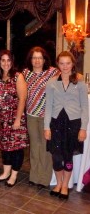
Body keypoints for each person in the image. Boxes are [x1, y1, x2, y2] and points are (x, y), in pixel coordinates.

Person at [44, 51, 89, 200]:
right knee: (56, 157)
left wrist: (83, 128)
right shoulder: (51, 82)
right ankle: (58, 182)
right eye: (62, 63)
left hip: (73, 124)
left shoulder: (79, 82)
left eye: (68, 63)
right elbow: (48, 106)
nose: (65, 66)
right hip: (56, 123)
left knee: (68, 156)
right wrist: (46, 127)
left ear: (73, 64)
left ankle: (65, 185)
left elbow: (84, 107)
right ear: (58, 64)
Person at [22, 46, 59, 189]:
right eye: (34, 57)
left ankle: (44, 178)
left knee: (45, 147)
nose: (37, 60)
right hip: (31, 115)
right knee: (34, 147)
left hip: (47, 117)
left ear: (44, 59)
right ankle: (34, 176)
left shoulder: (53, 72)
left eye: (40, 57)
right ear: (30, 60)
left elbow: (72, 74)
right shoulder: (25, 73)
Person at [0, 50, 29, 187]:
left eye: (8, 60)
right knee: (4, 147)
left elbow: (22, 99)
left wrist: (18, 119)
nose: (6, 63)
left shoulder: (18, 76)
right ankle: (6, 172)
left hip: (15, 117)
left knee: (16, 147)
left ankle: (14, 175)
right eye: (3, 60)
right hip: (2, 118)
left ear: (12, 62)